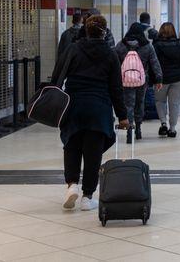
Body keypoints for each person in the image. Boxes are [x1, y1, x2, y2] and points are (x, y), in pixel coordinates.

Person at [51, 14, 128, 212]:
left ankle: (72, 186)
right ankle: (87, 197)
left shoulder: (73, 49)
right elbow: (116, 88)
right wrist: (123, 116)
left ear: (86, 29)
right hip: (99, 108)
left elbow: (58, 75)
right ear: (105, 31)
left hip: (74, 105)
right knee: (93, 153)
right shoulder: (111, 54)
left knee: (72, 145)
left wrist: (52, 101)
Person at [115, 22, 162, 143]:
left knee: (128, 104)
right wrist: (158, 78)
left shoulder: (121, 45)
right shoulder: (147, 45)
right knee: (139, 103)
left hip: (125, 80)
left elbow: (114, 62)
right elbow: (154, 63)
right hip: (142, 80)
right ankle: (139, 128)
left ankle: (129, 129)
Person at [153, 22, 180, 138]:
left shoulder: (157, 45)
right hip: (179, 78)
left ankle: (163, 123)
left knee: (160, 101)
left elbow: (153, 62)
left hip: (161, 78)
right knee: (174, 103)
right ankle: (173, 129)